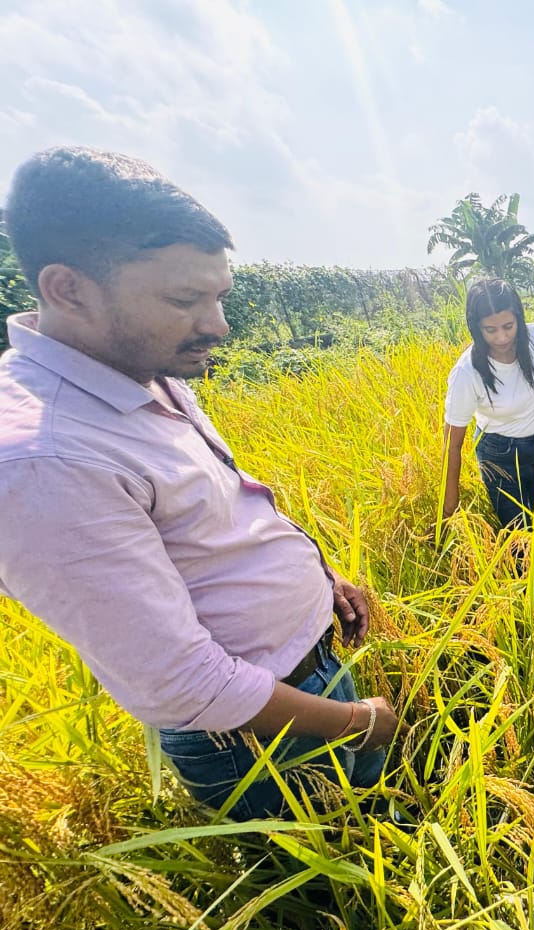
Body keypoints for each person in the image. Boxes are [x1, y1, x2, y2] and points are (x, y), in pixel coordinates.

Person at [0, 146, 398, 821]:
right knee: (332, 907)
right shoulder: (46, 461)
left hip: (311, 680)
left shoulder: (139, 367)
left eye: (218, 296)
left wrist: (318, 580)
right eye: (185, 299)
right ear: (68, 289)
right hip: (252, 741)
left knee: (370, 832)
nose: (219, 325)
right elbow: (181, 684)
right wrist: (357, 721)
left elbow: (216, 513)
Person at [442, 278, 534, 527]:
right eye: (490, 330)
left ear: (518, 319)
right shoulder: (467, 372)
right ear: (476, 328)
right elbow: (452, 444)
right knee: (520, 539)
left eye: (508, 326)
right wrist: (449, 507)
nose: (502, 337)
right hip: (501, 457)